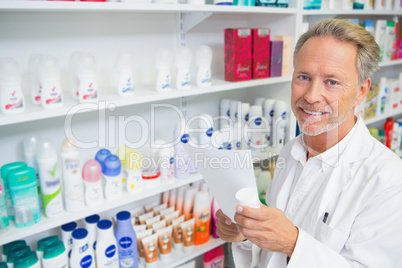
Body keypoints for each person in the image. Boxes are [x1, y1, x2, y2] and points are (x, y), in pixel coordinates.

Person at [215, 18, 402, 267]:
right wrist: (246, 233)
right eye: (303, 77)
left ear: (361, 91)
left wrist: (293, 242)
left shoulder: (388, 181)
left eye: (332, 82)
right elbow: (273, 252)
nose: (311, 96)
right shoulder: (291, 151)